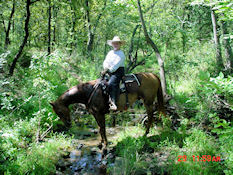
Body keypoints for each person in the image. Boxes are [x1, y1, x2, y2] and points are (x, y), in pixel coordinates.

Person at [102, 36, 126, 111]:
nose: (115, 45)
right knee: (101, 83)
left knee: (111, 84)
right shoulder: (110, 53)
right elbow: (105, 61)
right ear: (112, 44)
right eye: (114, 43)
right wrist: (105, 68)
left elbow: (115, 66)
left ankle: (114, 103)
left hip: (117, 72)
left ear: (120, 44)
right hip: (108, 70)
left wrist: (108, 70)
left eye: (117, 43)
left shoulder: (121, 54)